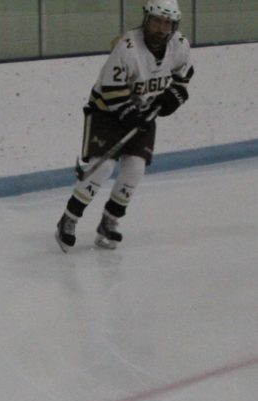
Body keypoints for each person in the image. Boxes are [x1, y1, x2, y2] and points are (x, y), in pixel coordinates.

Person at [55, 0, 194, 252]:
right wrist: (131, 115)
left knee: (135, 169)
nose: (161, 28)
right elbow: (111, 89)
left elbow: (182, 81)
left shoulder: (180, 46)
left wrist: (170, 99)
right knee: (103, 167)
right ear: (146, 19)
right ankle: (69, 218)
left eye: (167, 23)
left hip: (144, 113)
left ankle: (109, 221)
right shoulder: (128, 47)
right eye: (157, 21)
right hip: (106, 112)